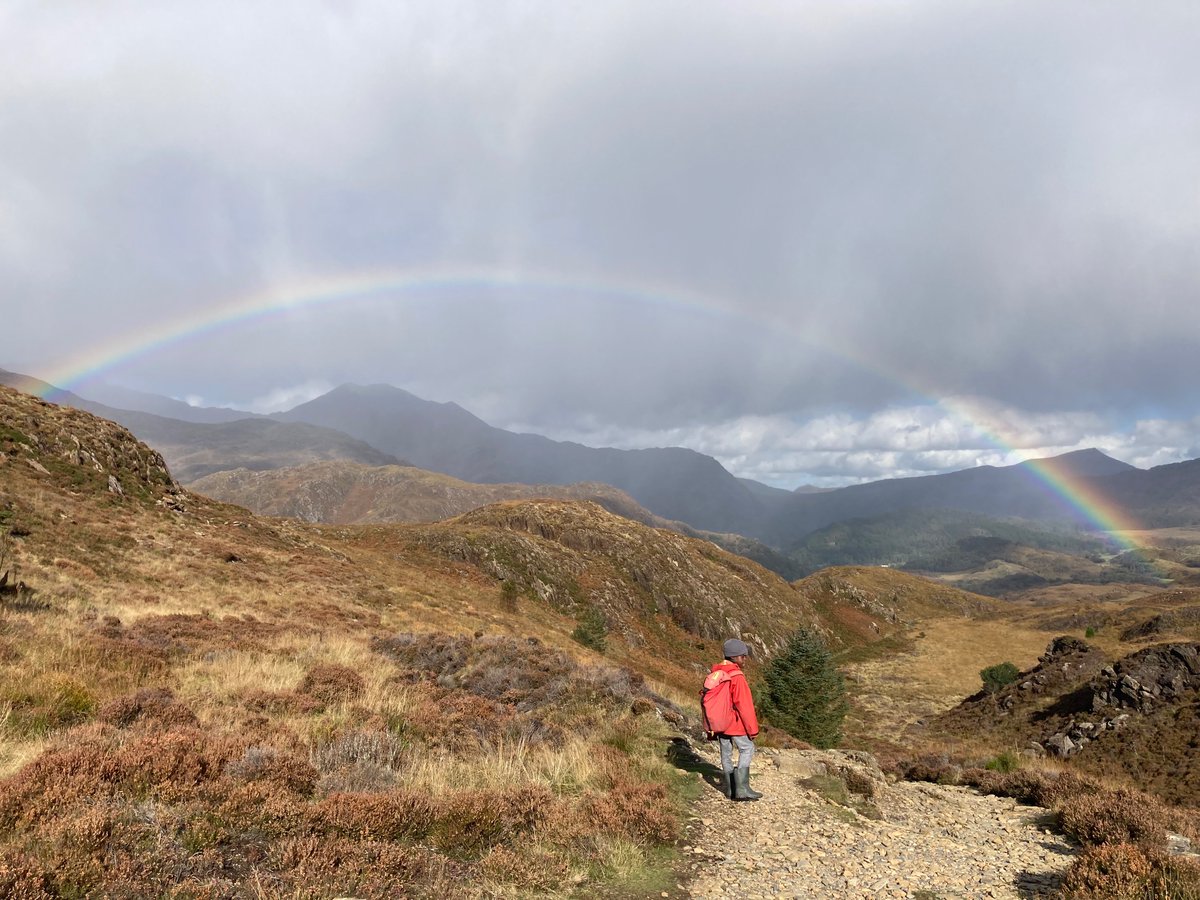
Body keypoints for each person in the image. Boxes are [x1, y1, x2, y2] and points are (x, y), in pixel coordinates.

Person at [711, 638, 762, 801]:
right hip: (734, 723)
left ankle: (730, 789)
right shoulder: (737, 676)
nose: (745, 659)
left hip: (720, 723)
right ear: (734, 657)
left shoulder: (715, 673)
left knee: (726, 753)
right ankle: (742, 789)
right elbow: (744, 706)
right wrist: (752, 729)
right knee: (747, 749)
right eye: (742, 656)